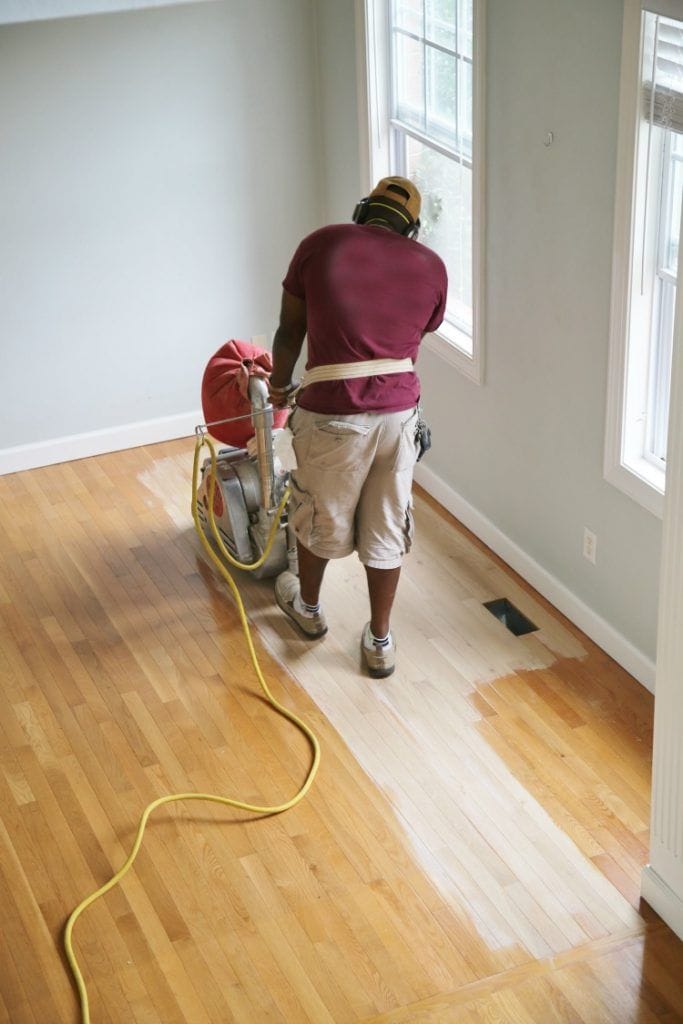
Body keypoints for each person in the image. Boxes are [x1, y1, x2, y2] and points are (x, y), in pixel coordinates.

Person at [267, 176, 447, 678]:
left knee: (318, 514)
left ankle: (307, 610)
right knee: (388, 524)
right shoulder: (432, 266)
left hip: (332, 415)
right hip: (399, 418)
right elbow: (413, 334)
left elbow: (290, 329)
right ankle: (380, 641)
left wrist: (279, 386)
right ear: (412, 229)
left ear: (362, 210)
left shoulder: (321, 244)